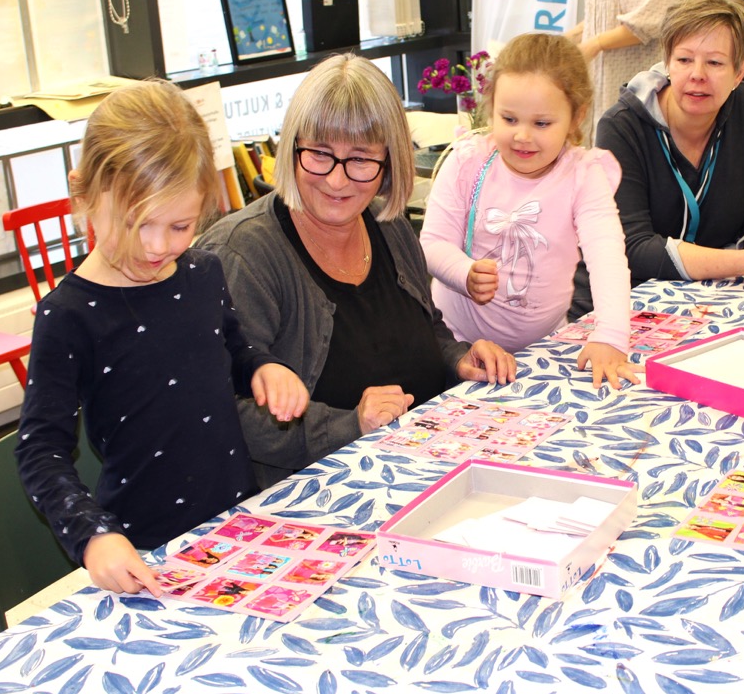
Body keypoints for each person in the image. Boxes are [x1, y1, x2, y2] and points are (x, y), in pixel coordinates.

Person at [16, 81, 310, 597]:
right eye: (136, 224)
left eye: (179, 226)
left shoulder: (202, 272)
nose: (157, 247)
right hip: (146, 550)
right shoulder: (67, 315)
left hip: (234, 525)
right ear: (83, 195)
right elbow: (40, 449)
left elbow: (233, 352)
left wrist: (264, 367)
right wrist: (92, 537)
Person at [197, 55, 516, 489]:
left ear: (390, 161)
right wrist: (350, 426)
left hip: (420, 466)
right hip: (314, 496)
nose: (337, 181)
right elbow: (222, 410)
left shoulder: (390, 224)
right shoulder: (242, 255)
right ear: (291, 148)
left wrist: (459, 359)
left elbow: (426, 330)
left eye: (361, 159)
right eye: (319, 155)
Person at [570, 0, 744, 318]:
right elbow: (634, 247)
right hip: (621, 308)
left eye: (714, 62)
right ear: (667, 61)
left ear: (740, 71)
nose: (697, 74)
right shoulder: (622, 126)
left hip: (706, 304)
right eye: (684, 60)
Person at [421, 33, 637, 388]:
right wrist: (465, 272)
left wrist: (611, 336)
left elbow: (607, 256)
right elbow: (431, 243)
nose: (522, 136)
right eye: (509, 119)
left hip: (539, 350)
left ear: (576, 117)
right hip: (456, 345)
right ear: (491, 109)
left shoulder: (584, 175)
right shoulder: (467, 162)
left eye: (541, 124)